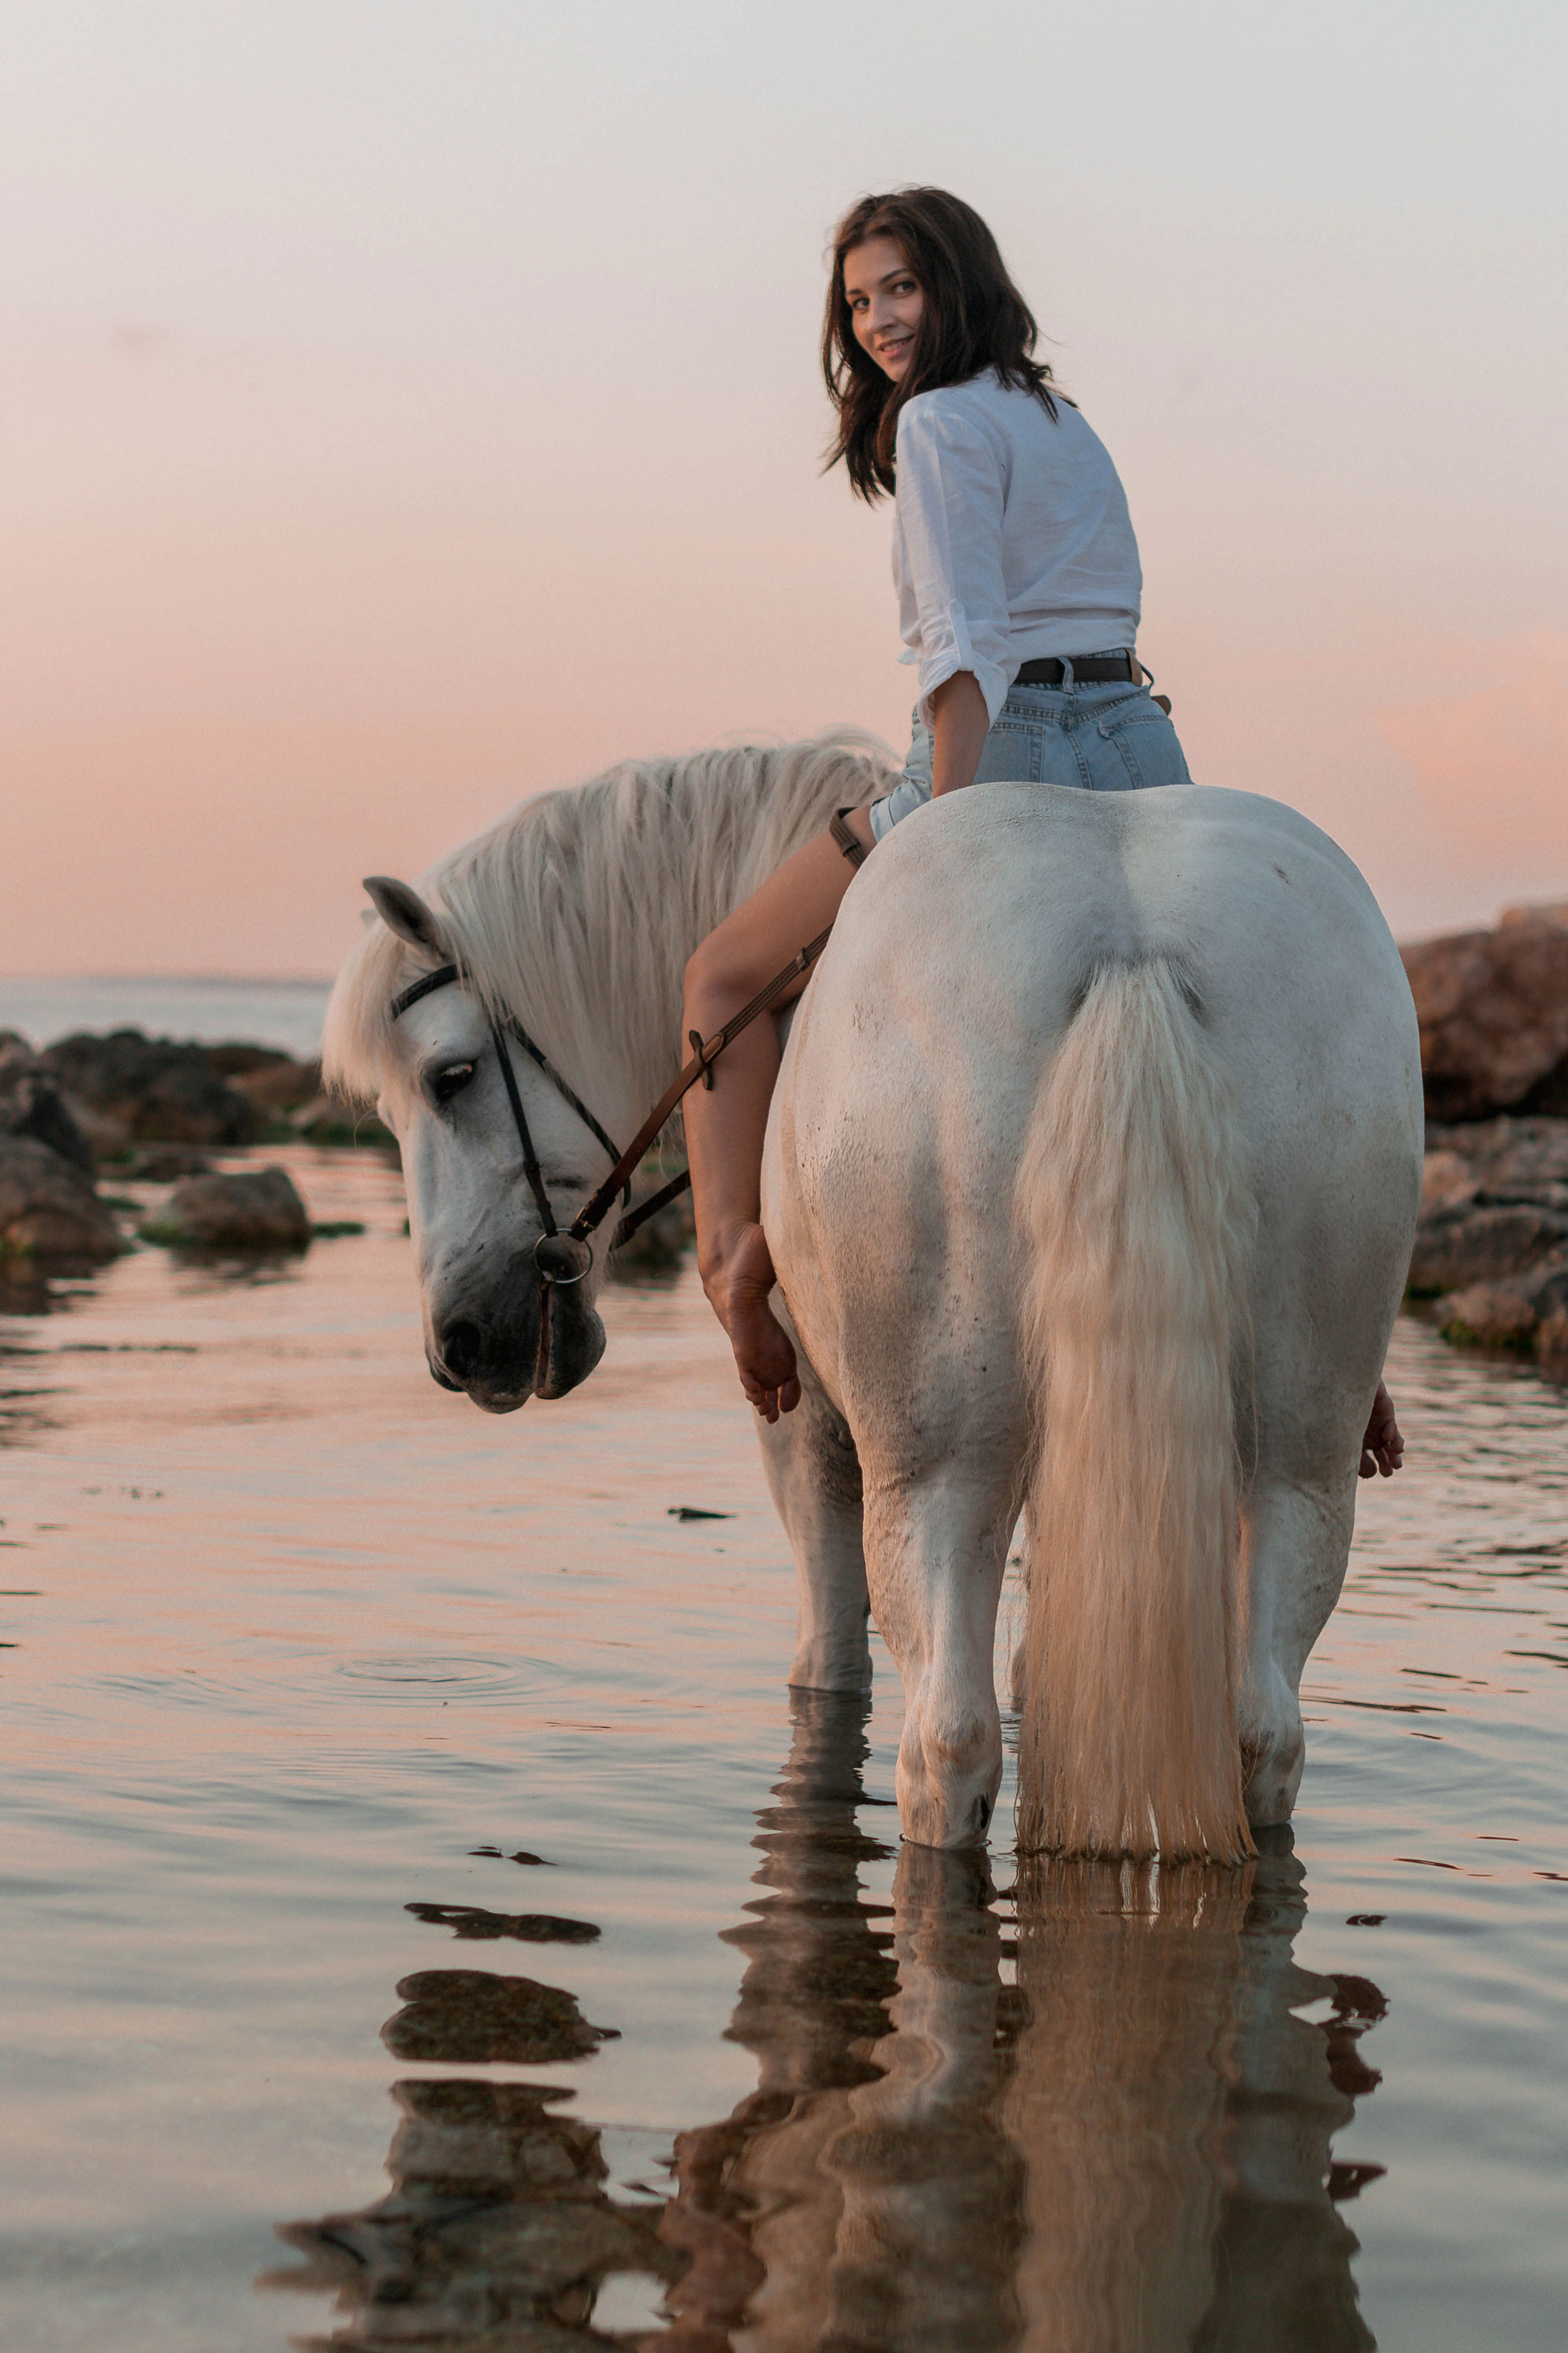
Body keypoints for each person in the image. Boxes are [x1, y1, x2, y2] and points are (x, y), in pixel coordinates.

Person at [681, 186, 1404, 1482]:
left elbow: (961, 647)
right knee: (1230, 1053)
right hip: (1136, 738)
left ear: (960, 282)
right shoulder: (1069, 422)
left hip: (996, 748)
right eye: (858, 303)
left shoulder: (942, 424)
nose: (881, 321)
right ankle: (1345, 1366)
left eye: (900, 287)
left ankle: (738, 1265)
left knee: (724, 977)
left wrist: (947, 839)